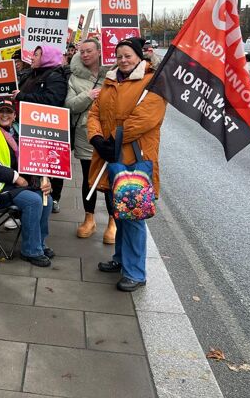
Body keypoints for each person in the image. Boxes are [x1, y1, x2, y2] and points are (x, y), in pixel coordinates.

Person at [87, 37, 167, 292]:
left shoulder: (153, 83)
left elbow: (145, 119)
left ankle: (135, 272)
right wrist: (97, 138)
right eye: (119, 56)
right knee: (118, 211)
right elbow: (95, 112)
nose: (123, 60)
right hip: (111, 156)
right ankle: (120, 259)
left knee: (132, 215)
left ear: (139, 57)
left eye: (128, 56)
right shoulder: (111, 80)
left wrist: (113, 139)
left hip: (135, 158)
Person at [0, 97, 54, 267]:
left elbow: (32, 159)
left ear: (14, 115)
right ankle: (31, 251)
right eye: (1, 111)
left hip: (14, 185)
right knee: (34, 201)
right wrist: (16, 177)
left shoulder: (18, 131)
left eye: (9, 111)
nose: (5, 115)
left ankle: (39, 244)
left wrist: (43, 179)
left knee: (46, 199)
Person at [65, 37, 115, 242]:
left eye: (89, 51)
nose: (85, 55)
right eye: (82, 51)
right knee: (89, 178)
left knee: (112, 178)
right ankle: (89, 218)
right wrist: (89, 95)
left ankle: (113, 221)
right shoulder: (74, 77)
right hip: (86, 135)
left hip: (109, 133)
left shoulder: (113, 73)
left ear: (99, 51)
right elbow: (69, 105)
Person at [13, 44, 70, 213]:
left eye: (37, 54)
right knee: (27, 166)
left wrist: (23, 97)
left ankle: (50, 199)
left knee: (49, 168)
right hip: (26, 128)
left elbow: (52, 101)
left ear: (46, 58)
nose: (32, 57)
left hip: (46, 130)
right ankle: (28, 200)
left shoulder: (55, 77)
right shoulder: (30, 74)